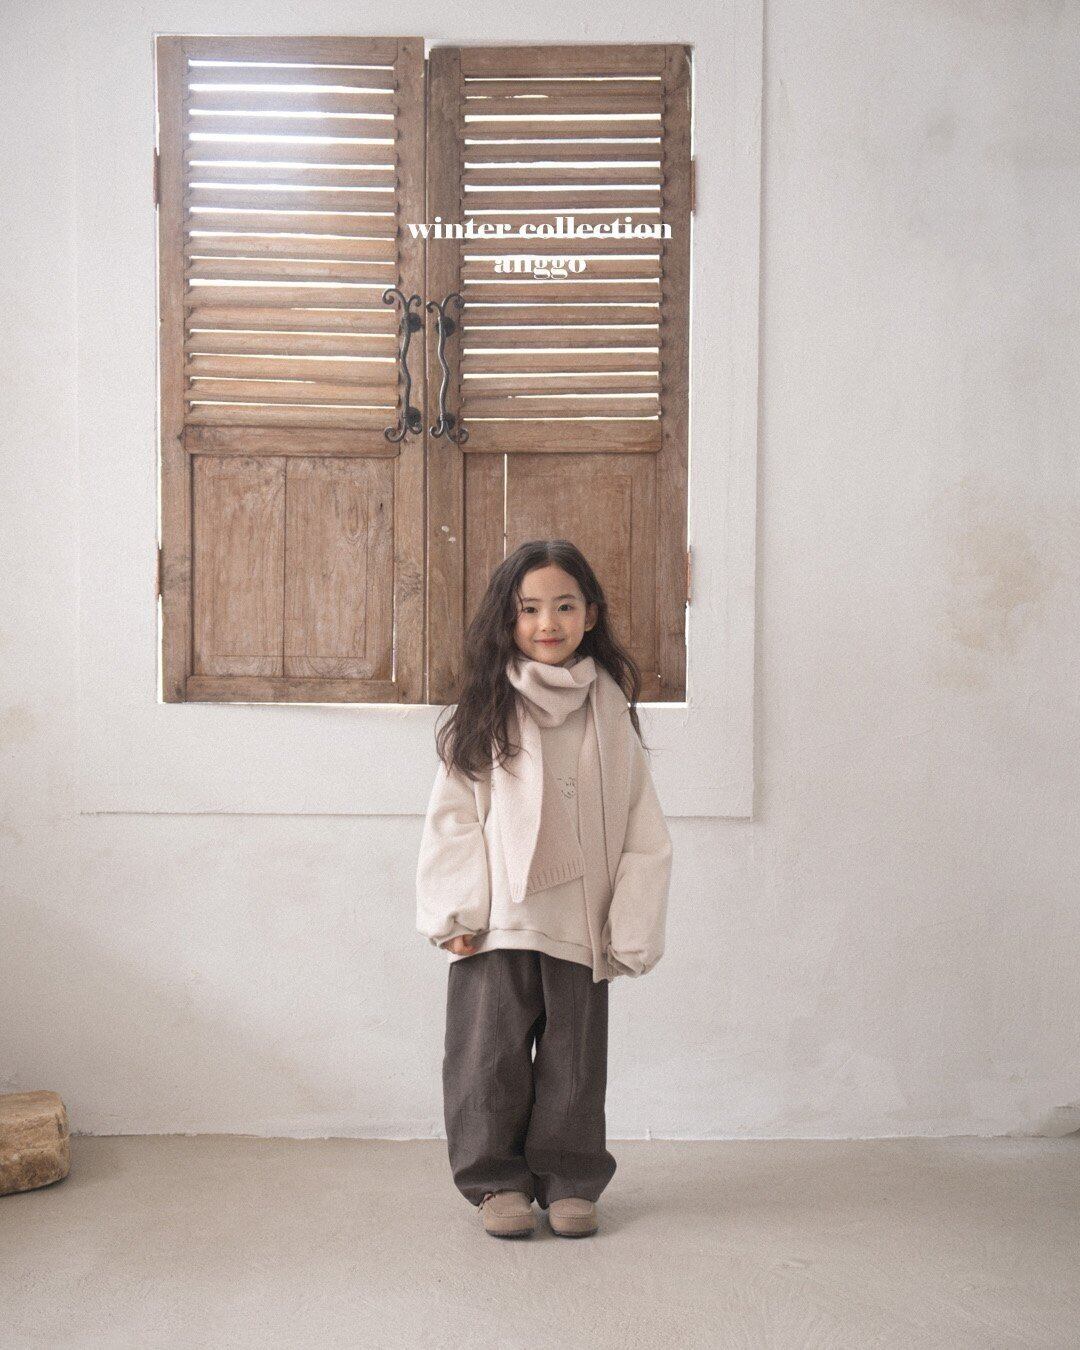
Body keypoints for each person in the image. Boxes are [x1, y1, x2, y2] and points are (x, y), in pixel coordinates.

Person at [415, 539, 674, 1239]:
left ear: (591, 614)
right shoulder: (488, 706)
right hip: (499, 920)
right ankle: (496, 1180)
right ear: (508, 618)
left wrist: (631, 923)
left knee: (574, 1065)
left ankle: (569, 1178)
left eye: (563, 606)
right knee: (488, 1060)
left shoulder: (609, 709)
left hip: (580, 920)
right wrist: (455, 911)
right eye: (529, 609)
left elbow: (641, 823)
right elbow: (454, 816)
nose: (547, 623)